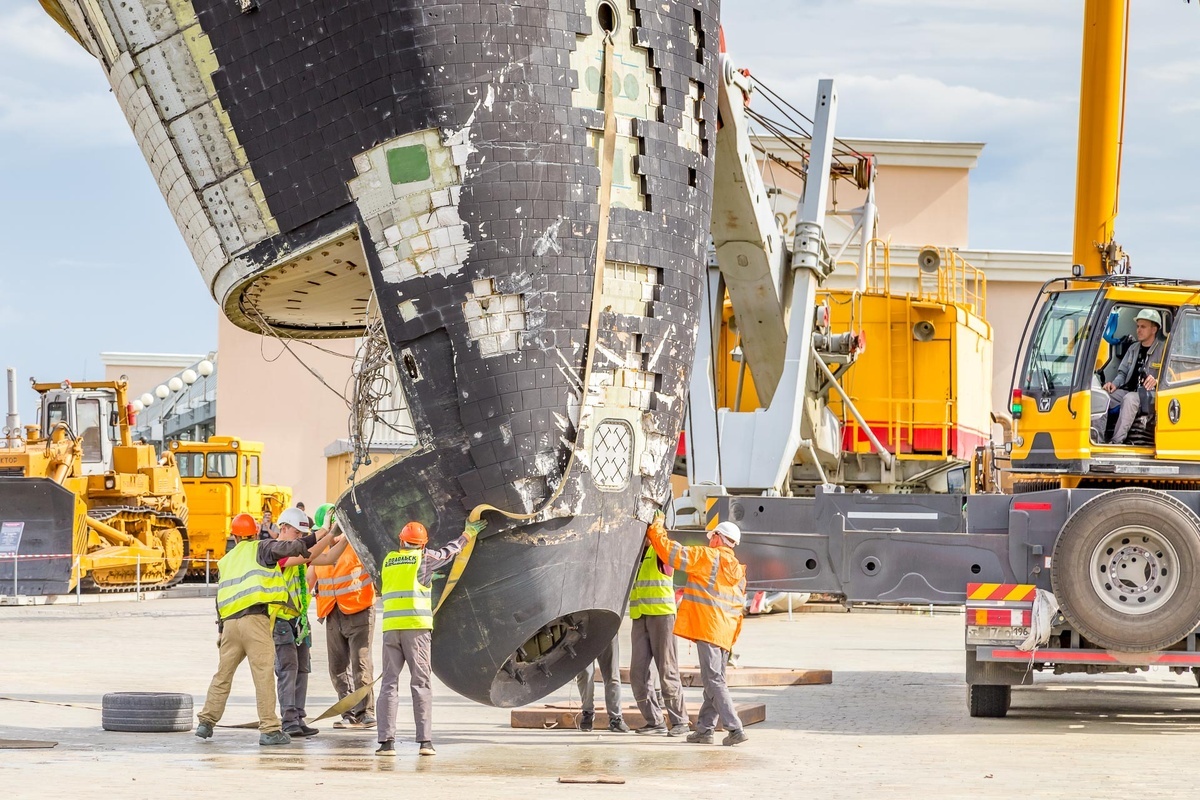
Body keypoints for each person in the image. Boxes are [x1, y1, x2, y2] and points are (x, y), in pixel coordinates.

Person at [195, 512, 317, 746]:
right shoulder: (261, 548)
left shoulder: (227, 560)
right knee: (263, 675)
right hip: (255, 620)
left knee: (223, 674)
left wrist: (220, 630)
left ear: (234, 536)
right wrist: (324, 534)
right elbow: (294, 547)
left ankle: (206, 722)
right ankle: (270, 729)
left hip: (230, 624)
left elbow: (220, 597)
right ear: (254, 533)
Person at [375, 517, 486, 757]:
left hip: (391, 630)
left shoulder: (388, 561)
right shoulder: (423, 559)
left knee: (389, 684)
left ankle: (386, 743)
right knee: (421, 683)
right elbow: (448, 552)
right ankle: (425, 742)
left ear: (401, 541)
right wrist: (467, 534)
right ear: (423, 545)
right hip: (416, 629)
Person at [646, 513, 748, 746]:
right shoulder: (739, 571)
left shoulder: (707, 557)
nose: (709, 540)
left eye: (712, 536)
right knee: (715, 679)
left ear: (719, 538)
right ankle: (704, 729)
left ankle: (734, 728)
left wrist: (656, 528)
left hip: (709, 628)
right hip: (726, 633)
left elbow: (671, 553)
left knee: (713, 680)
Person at [308, 503, 377, 730]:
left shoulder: (358, 544)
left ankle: (365, 711)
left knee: (361, 663)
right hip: (332, 612)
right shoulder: (321, 550)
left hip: (359, 609)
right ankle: (347, 711)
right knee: (337, 667)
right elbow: (308, 580)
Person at [271, 507, 337, 738]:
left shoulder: (297, 553)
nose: (300, 539)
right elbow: (306, 555)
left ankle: (298, 717)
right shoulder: (276, 552)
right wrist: (329, 533)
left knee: (302, 670)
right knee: (288, 670)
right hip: (280, 618)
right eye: (298, 534)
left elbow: (330, 557)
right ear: (284, 528)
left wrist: (346, 537)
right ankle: (289, 720)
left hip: (298, 619)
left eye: (302, 535)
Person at [628, 533, 689, 736]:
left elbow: (671, 549)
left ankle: (680, 721)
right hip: (640, 616)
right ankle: (654, 722)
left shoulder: (662, 551)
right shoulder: (635, 554)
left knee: (667, 669)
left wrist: (656, 527)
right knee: (637, 673)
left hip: (662, 616)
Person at [1103, 308, 1166, 444]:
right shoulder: (1133, 348)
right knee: (1101, 397)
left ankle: (1116, 442)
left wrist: (1157, 380)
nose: (1138, 330)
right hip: (1128, 390)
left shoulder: (1163, 350)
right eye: (1137, 326)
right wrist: (1114, 384)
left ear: (1154, 329)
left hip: (1150, 396)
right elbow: (1122, 373)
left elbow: (1172, 376)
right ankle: (1096, 436)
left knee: (1130, 399)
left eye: (1143, 327)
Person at [573, 634, 628, 733]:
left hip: (608, 628)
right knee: (585, 674)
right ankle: (587, 712)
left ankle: (616, 718)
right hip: (583, 630)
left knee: (612, 674)